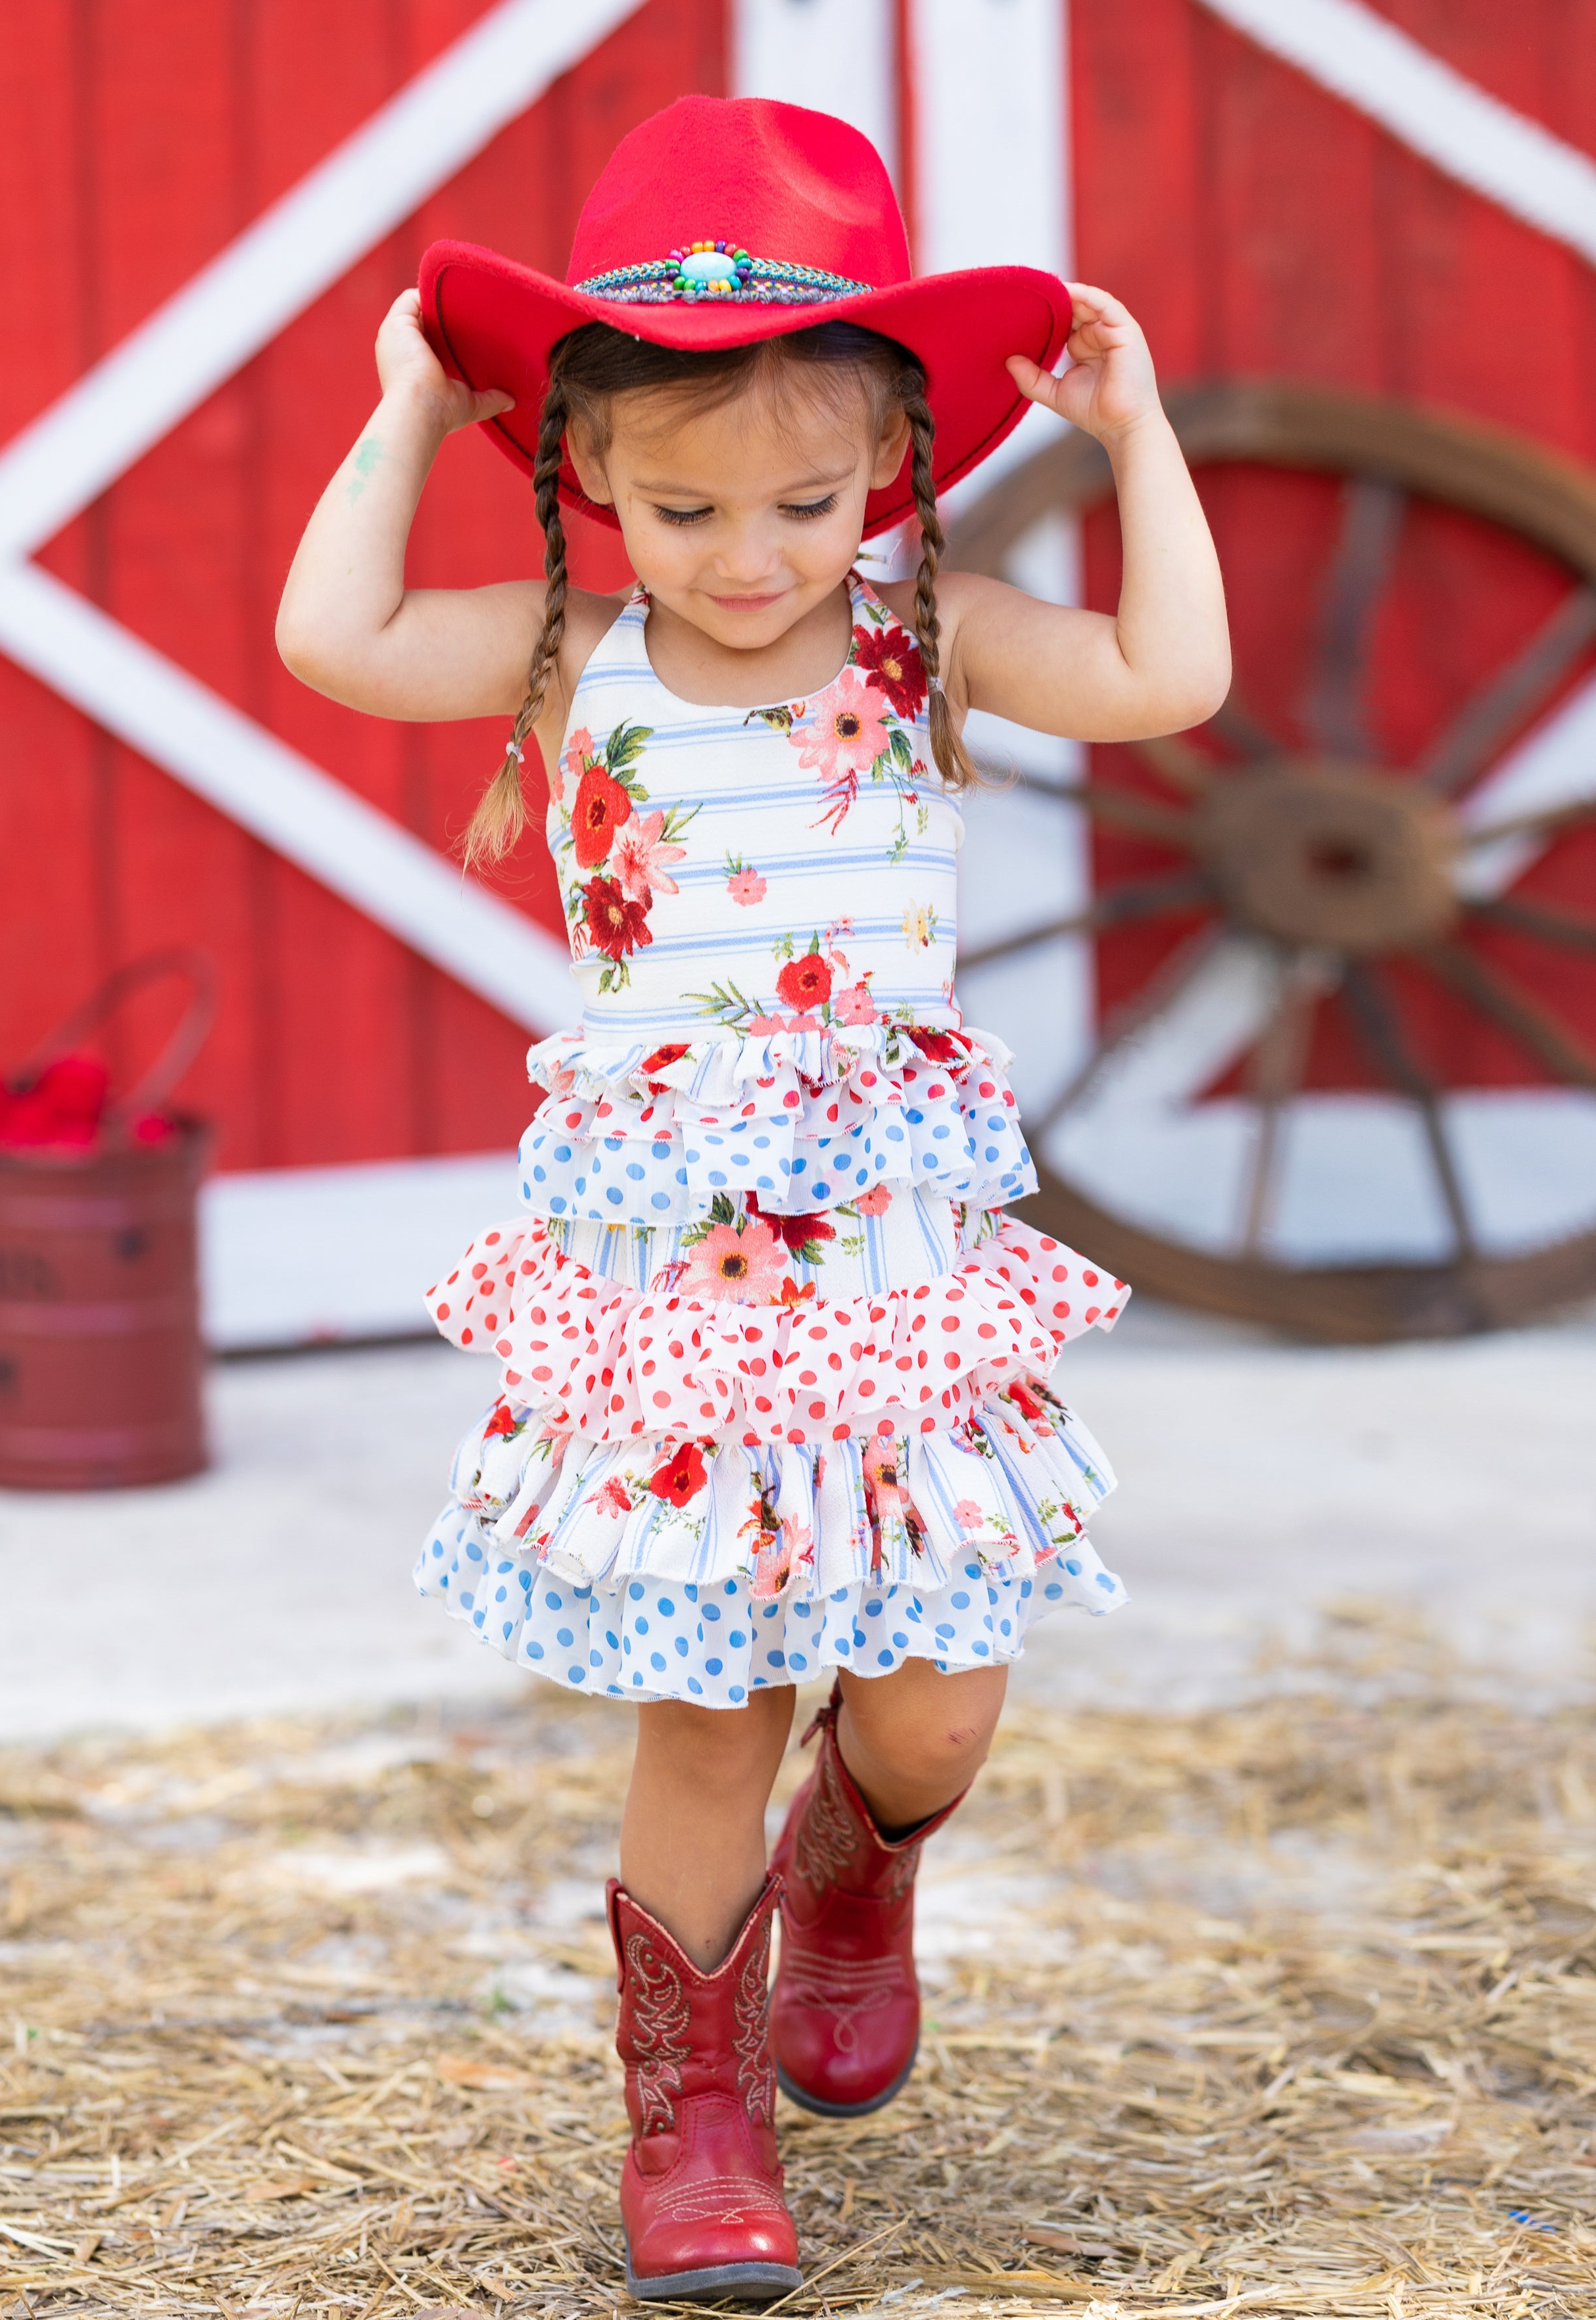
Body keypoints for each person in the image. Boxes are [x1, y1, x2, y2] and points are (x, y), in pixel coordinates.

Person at [278, 93, 1228, 2306]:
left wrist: (1145, 433)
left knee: (932, 1707)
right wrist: (417, 401)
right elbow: (335, 638)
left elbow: (1169, 677)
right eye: (684, 502)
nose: (744, 554)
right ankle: (691, 2121)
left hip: (898, 1265)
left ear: (888, 461)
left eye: (803, 501)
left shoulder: (936, 635)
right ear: (591, 468)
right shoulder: (567, 652)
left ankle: (862, 1867)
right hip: (680, 1267)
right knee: (707, 1693)